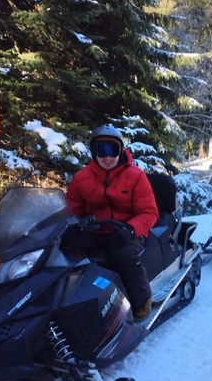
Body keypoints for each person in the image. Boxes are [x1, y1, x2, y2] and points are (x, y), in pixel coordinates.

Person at [66, 125, 159, 322]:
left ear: (120, 151)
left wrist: (131, 228)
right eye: (102, 150)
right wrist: (72, 224)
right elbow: (72, 209)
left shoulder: (135, 176)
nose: (107, 157)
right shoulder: (81, 178)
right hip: (95, 230)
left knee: (123, 255)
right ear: (93, 152)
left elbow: (149, 212)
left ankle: (141, 301)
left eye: (112, 150)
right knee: (67, 253)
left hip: (126, 231)